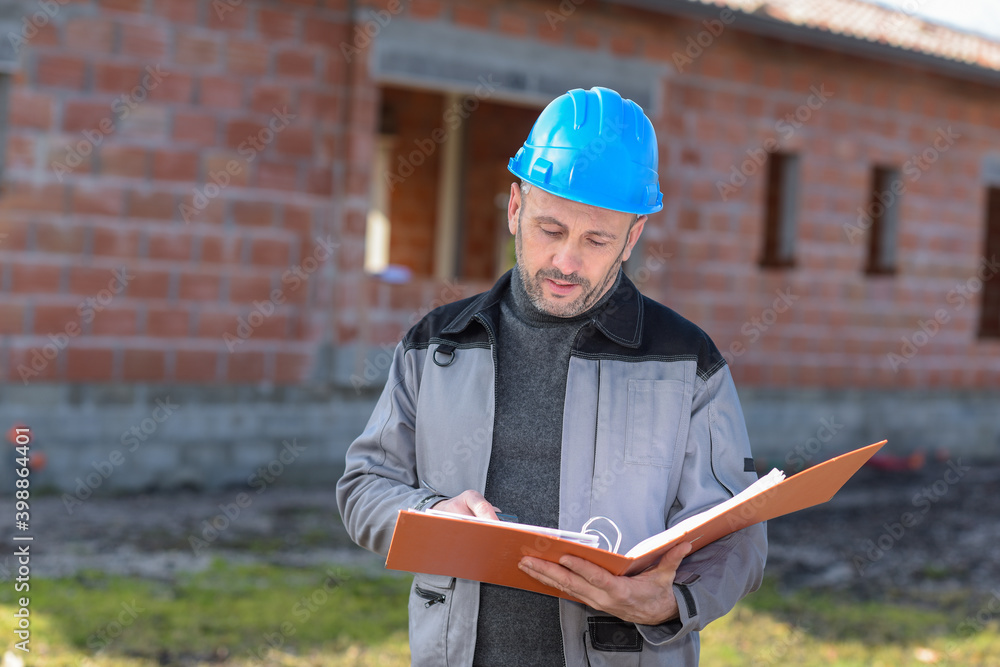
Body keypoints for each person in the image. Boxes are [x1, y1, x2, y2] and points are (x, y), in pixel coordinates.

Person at [337, 86, 767, 666]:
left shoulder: (686, 362)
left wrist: (670, 601)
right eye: (550, 229)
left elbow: (736, 532)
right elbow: (364, 485)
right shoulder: (437, 344)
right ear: (515, 206)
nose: (567, 261)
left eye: (596, 240)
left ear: (632, 237)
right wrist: (432, 515)